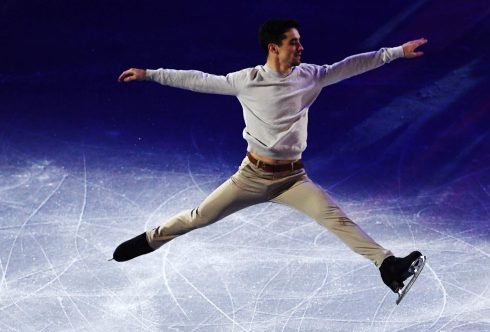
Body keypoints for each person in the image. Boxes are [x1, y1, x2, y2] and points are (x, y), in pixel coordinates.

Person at [113, 19, 427, 298]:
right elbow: (199, 79)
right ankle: (150, 240)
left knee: (337, 219)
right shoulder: (247, 80)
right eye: (294, 42)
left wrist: (398, 51)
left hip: (293, 180)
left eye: (300, 42)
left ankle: (388, 265)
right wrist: (149, 74)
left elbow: (351, 65)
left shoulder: (310, 76)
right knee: (200, 217)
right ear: (273, 47)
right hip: (251, 177)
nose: (301, 47)